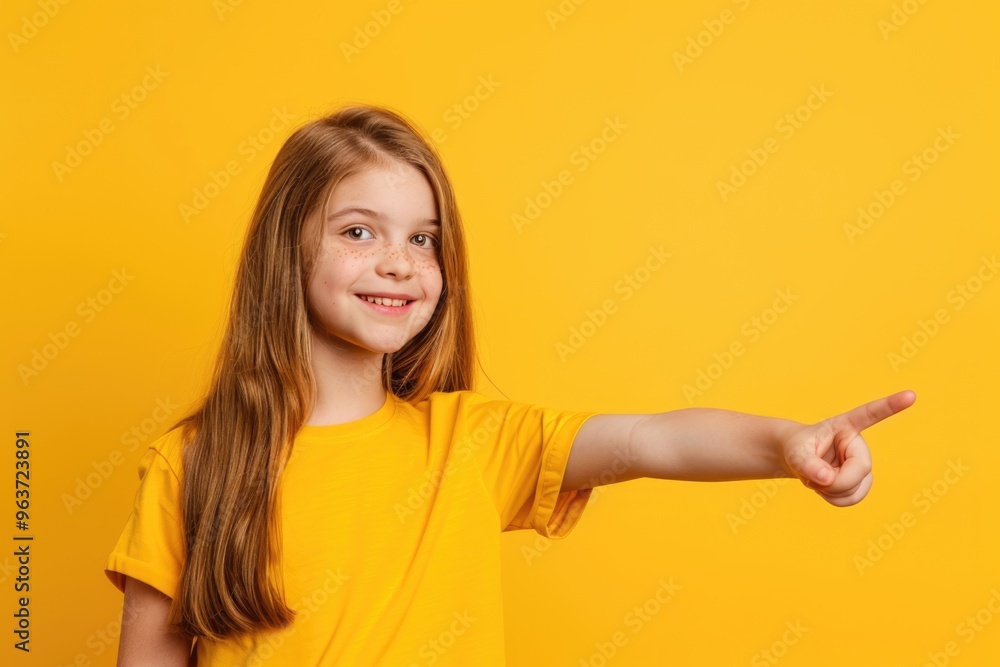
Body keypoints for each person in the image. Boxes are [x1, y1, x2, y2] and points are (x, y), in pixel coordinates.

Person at [104, 103, 916, 666]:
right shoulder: (195, 461)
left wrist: (786, 444)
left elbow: (649, 438)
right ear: (288, 251)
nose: (399, 260)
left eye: (423, 238)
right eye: (360, 231)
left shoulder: (473, 442)